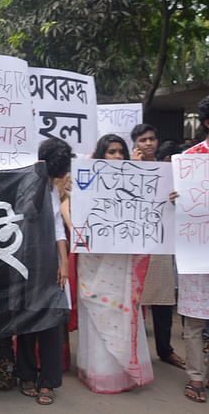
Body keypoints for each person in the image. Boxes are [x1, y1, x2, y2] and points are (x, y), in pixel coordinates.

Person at [76, 134, 154, 393]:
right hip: (94, 259)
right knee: (98, 309)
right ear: (101, 154)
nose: (118, 157)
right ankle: (99, 374)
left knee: (122, 311)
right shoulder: (88, 181)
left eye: (121, 152)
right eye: (111, 152)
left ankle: (125, 372)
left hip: (121, 259)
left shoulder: (136, 180)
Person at [16, 137, 69, 406]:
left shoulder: (53, 188)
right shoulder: (27, 181)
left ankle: (48, 380)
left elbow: (58, 227)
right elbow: (29, 214)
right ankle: (26, 374)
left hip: (50, 262)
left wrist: (64, 263)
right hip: (27, 261)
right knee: (28, 320)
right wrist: (38, 179)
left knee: (51, 323)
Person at [131, 124, 184, 370]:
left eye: (152, 138)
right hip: (133, 245)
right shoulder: (125, 168)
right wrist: (129, 168)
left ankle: (165, 351)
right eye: (143, 140)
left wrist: (177, 196)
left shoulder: (172, 171)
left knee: (162, 301)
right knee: (134, 301)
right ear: (135, 144)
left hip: (162, 243)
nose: (149, 143)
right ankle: (136, 354)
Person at [175, 95, 209, 403]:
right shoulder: (189, 160)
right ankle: (197, 377)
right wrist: (175, 198)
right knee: (195, 321)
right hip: (197, 251)